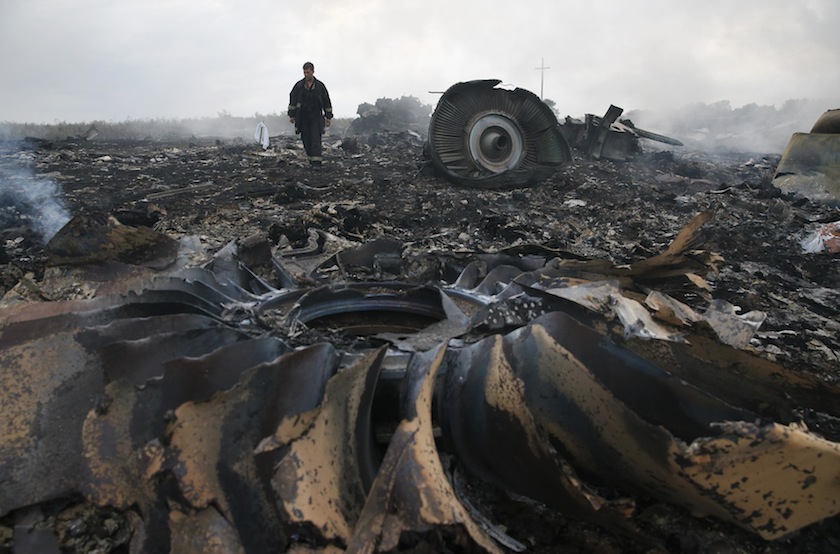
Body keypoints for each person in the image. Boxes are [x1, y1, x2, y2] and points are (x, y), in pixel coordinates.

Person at [288, 62, 333, 166]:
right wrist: (292, 115)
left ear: (313, 71)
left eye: (308, 72)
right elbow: (293, 101)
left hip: (316, 116)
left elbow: (326, 101)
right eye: (304, 72)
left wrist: (328, 116)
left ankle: (316, 163)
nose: (306, 75)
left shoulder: (320, 86)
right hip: (303, 117)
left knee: (316, 138)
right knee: (306, 139)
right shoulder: (299, 86)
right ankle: (311, 159)